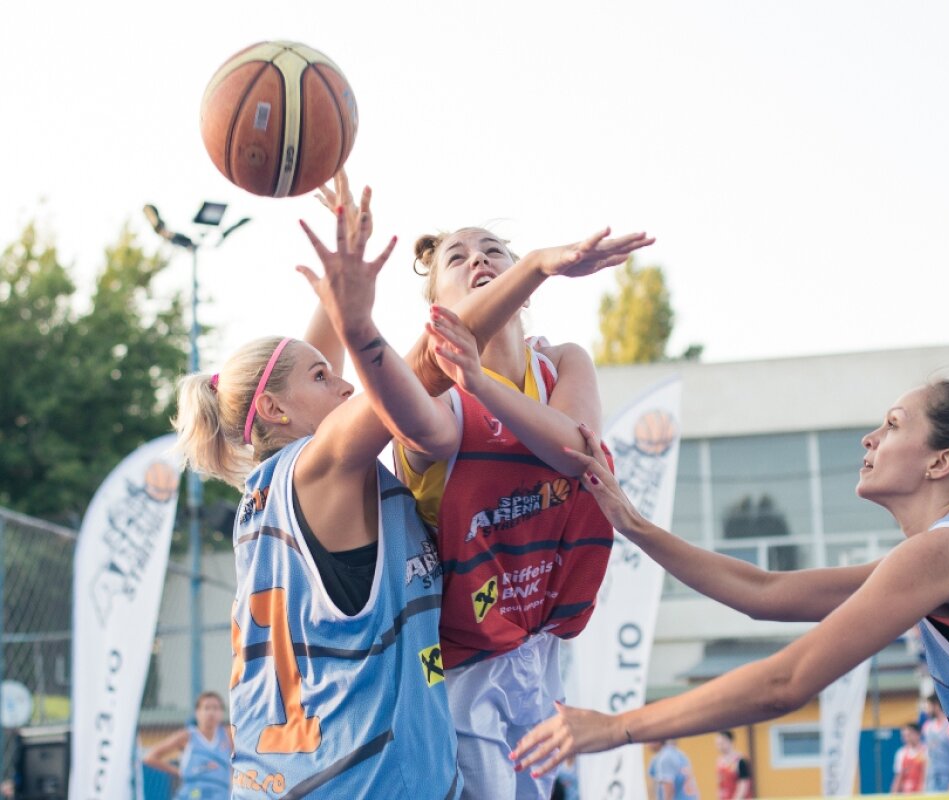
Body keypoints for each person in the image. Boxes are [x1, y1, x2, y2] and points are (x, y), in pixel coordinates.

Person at [512, 380, 949, 798]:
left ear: (942, 461)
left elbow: (787, 682)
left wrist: (616, 727)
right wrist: (633, 524)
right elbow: (764, 590)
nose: (871, 437)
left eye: (893, 425)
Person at [174, 198, 637, 797]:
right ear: (273, 410)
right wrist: (537, 265)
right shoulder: (325, 467)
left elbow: (295, 368)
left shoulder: (274, 491)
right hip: (353, 779)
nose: (345, 382)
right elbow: (420, 368)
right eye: (324, 378)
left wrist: (340, 281)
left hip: (302, 775)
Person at [319, 170, 655, 800]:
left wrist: (484, 380)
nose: (479, 258)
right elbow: (421, 420)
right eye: (458, 255)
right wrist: (466, 365)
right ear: (437, 307)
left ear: (523, 293)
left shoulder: (562, 364)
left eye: (492, 251)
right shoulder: (439, 406)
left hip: (542, 647)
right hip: (456, 664)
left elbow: (575, 453)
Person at [142, 691, 232, 799]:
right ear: (197, 712)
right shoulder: (187, 736)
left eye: (216, 708)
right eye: (207, 708)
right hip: (192, 795)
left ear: (222, 712)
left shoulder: (228, 735)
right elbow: (149, 757)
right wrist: (178, 771)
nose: (211, 712)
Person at [890, 722, 927, 794]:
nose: (906, 738)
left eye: (909, 735)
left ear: (918, 734)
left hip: (923, 794)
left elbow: (926, 776)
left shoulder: (926, 752)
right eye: (904, 736)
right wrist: (893, 794)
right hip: (906, 794)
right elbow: (898, 777)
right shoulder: (901, 753)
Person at [714, 730, 753, 800]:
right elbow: (720, 784)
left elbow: (744, 784)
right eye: (718, 744)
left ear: (730, 741)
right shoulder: (719, 762)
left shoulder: (740, 761)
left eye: (722, 743)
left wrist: (737, 798)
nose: (719, 747)